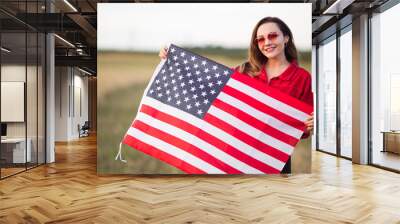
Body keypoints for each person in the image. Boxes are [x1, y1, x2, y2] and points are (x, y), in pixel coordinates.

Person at [159, 16, 314, 173]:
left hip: (274, 160)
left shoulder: (302, 77)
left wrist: (310, 125)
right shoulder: (244, 71)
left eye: (273, 36)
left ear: (286, 38)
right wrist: (174, 61)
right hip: (236, 155)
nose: (267, 42)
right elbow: (206, 83)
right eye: (260, 39)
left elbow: (302, 127)